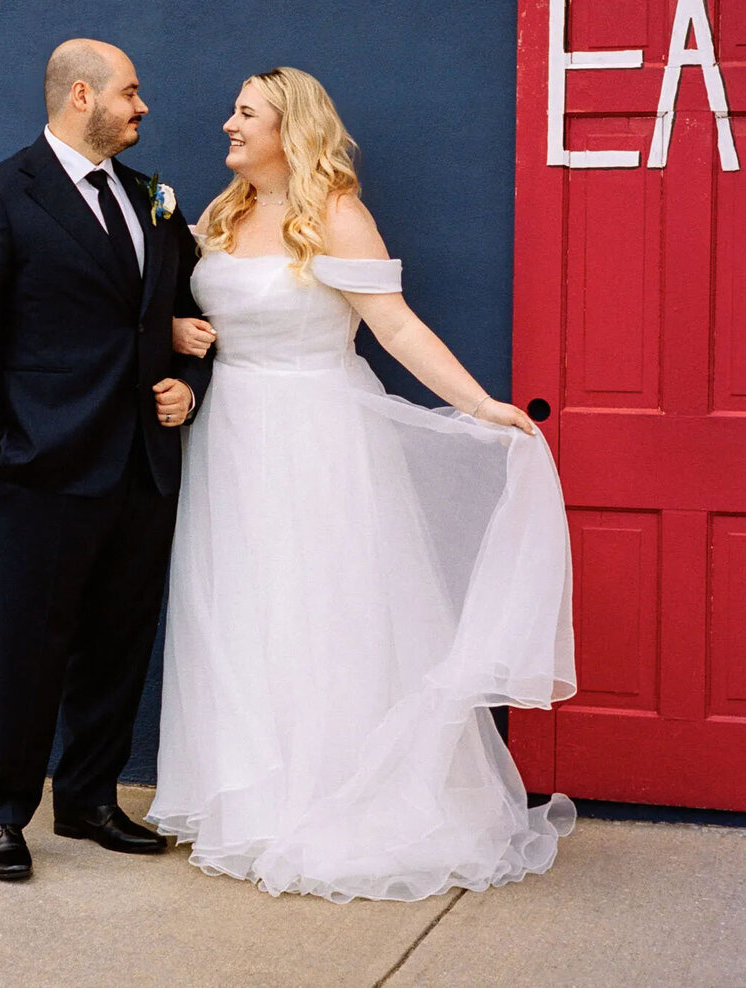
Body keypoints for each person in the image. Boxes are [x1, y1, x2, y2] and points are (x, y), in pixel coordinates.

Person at [149, 66, 575, 903]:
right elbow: (185, 307)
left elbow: (396, 325)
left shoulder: (336, 215)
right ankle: (251, 797)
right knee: (239, 604)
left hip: (319, 436)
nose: (228, 125)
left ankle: (331, 798)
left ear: (289, 128)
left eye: (246, 113)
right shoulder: (222, 213)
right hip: (230, 435)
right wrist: (173, 329)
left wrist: (482, 403)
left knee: (325, 606)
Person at [0, 39, 213, 882]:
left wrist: (188, 380)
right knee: (26, 647)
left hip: (142, 466)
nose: (145, 107)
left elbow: (189, 308)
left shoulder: (153, 198)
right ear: (82, 96)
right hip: (39, 469)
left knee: (119, 643)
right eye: (132, 92)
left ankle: (89, 799)